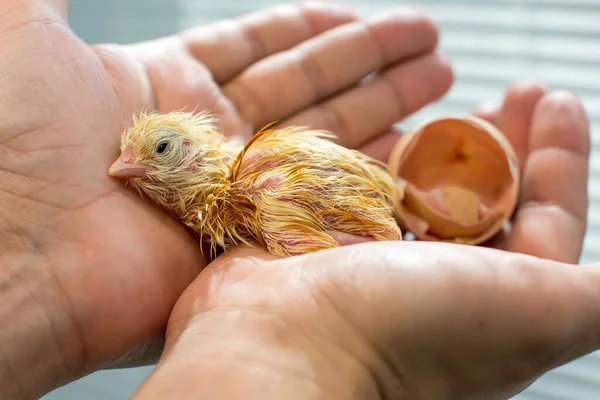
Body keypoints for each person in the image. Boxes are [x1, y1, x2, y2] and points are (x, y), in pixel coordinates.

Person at [0, 1, 594, 399]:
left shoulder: (267, 193)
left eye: (156, 150)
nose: (123, 166)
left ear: (194, 152)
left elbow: (355, 238)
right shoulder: (239, 199)